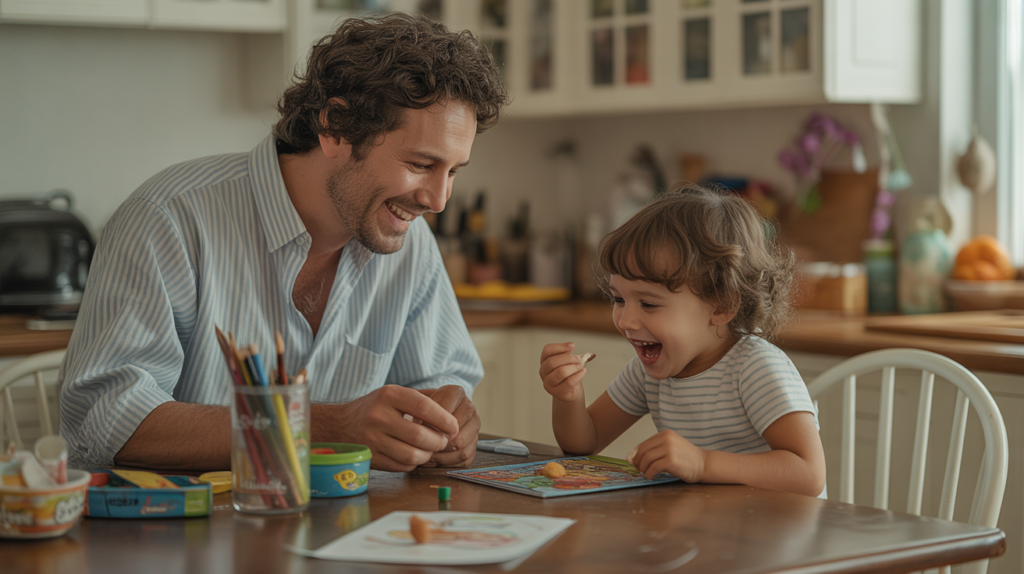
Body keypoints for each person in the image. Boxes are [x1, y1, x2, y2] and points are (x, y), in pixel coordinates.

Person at [59, 13, 509, 473]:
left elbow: (440, 386)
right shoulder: (169, 221)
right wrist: (323, 425)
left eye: (452, 172)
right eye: (420, 164)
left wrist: (447, 424)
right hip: (176, 535)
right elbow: (107, 421)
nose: (437, 200)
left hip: (344, 529)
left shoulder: (407, 242)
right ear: (336, 126)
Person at [539, 186, 826, 497]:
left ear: (721, 305)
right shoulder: (648, 371)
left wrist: (703, 464)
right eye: (618, 298)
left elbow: (808, 474)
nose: (625, 320)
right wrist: (568, 398)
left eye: (648, 303)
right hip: (716, 530)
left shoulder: (755, 368)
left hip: (776, 536)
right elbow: (585, 442)